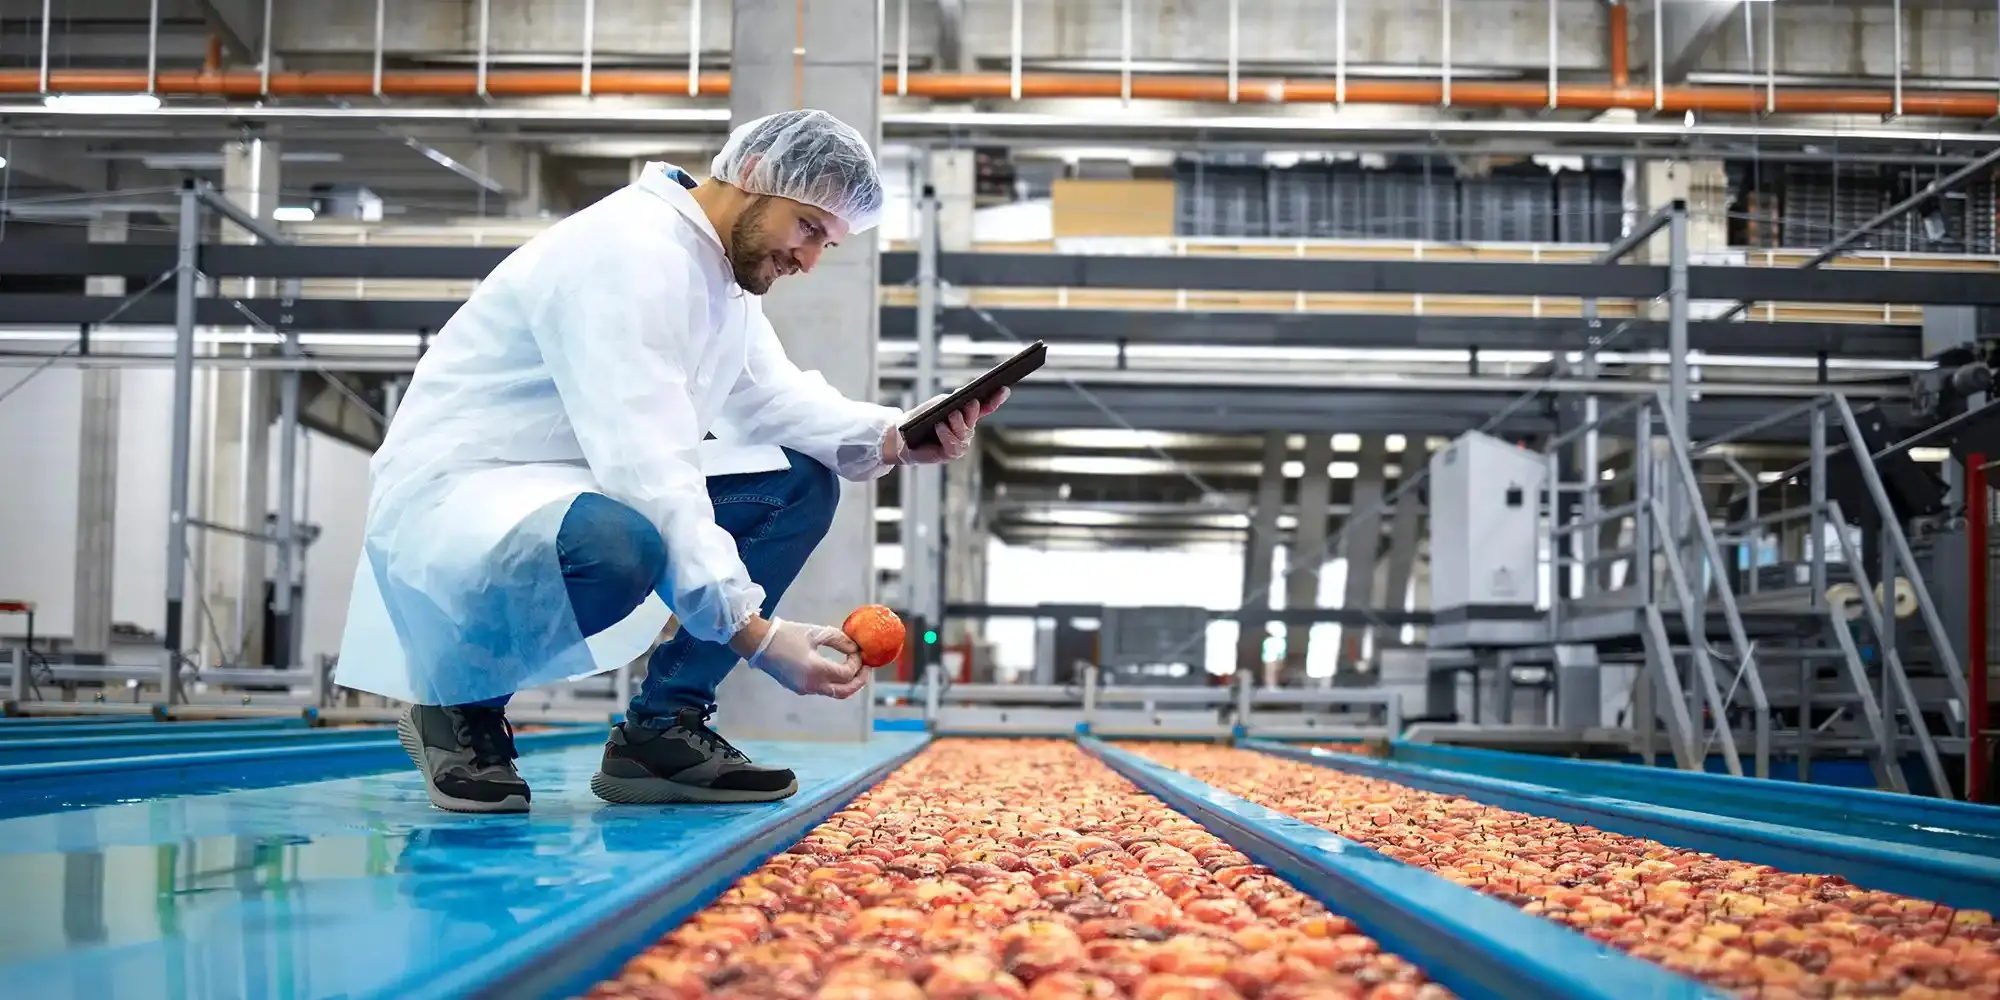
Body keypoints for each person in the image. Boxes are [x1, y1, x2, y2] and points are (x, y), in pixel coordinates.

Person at [333, 109, 1005, 813]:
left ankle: (661, 730)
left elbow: (768, 400)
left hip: (580, 486)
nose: (809, 260)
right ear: (753, 176)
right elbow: (648, 466)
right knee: (620, 545)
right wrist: (759, 636)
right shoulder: (629, 253)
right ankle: (456, 697)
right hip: (470, 499)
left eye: (827, 244)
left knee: (799, 484)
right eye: (808, 228)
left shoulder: (715, 270)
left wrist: (898, 435)